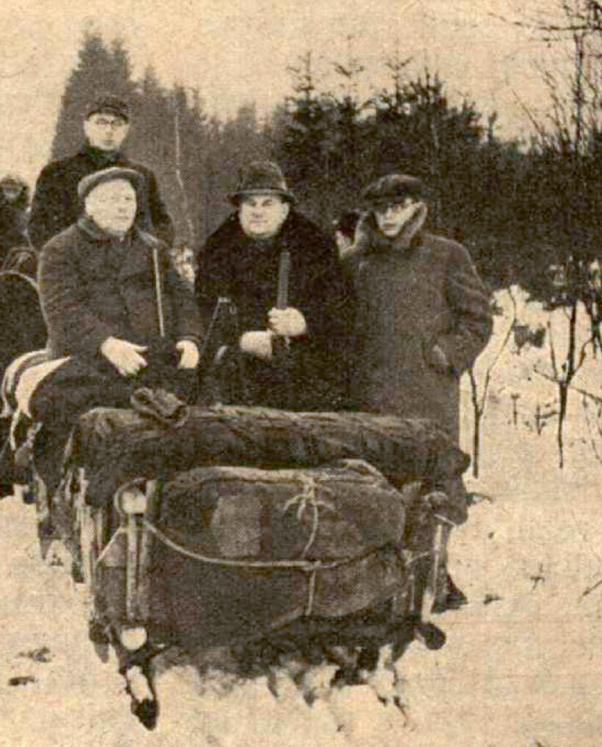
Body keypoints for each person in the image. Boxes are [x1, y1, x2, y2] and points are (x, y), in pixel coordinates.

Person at [341, 172, 494, 611]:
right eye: (382, 208)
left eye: (399, 206)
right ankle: (378, 586)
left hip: (427, 395)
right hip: (368, 394)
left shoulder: (446, 256)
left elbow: (477, 319)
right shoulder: (355, 262)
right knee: (375, 487)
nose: (389, 217)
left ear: (416, 208)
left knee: (433, 486)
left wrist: (448, 353)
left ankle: (434, 578)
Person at [27, 166, 201, 490]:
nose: (123, 207)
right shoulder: (61, 249)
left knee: (198, 409)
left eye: (129, 199)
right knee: (72, 413)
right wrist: (106, 344)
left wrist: (190, 339)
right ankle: (68, 491)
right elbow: (62, 310)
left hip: (152, 359)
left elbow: (183, 300)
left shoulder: (153, 249)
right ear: (89, 207)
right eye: (111, 199)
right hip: (88, 360)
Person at [194, 161, 350, 411]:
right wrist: (241, 339)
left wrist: (305, 322)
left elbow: (342, 313)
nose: (258, 211)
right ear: (239, 208)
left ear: (285, 209)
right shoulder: (217, 249)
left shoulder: (315, 247)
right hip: (236, 378)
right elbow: (201, 312)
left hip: (301, 380)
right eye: (250, 203)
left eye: (268, 203)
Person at [28, 94, 172, 249]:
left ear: (126, 130)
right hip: (75, 267)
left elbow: (162, 224)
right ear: (87, 126)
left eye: (117, 124)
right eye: (101, 122)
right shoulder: (57, 172)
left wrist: (149, 255)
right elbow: (40, 228)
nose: (109, 130)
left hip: (131, 269)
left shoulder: (142, 176)